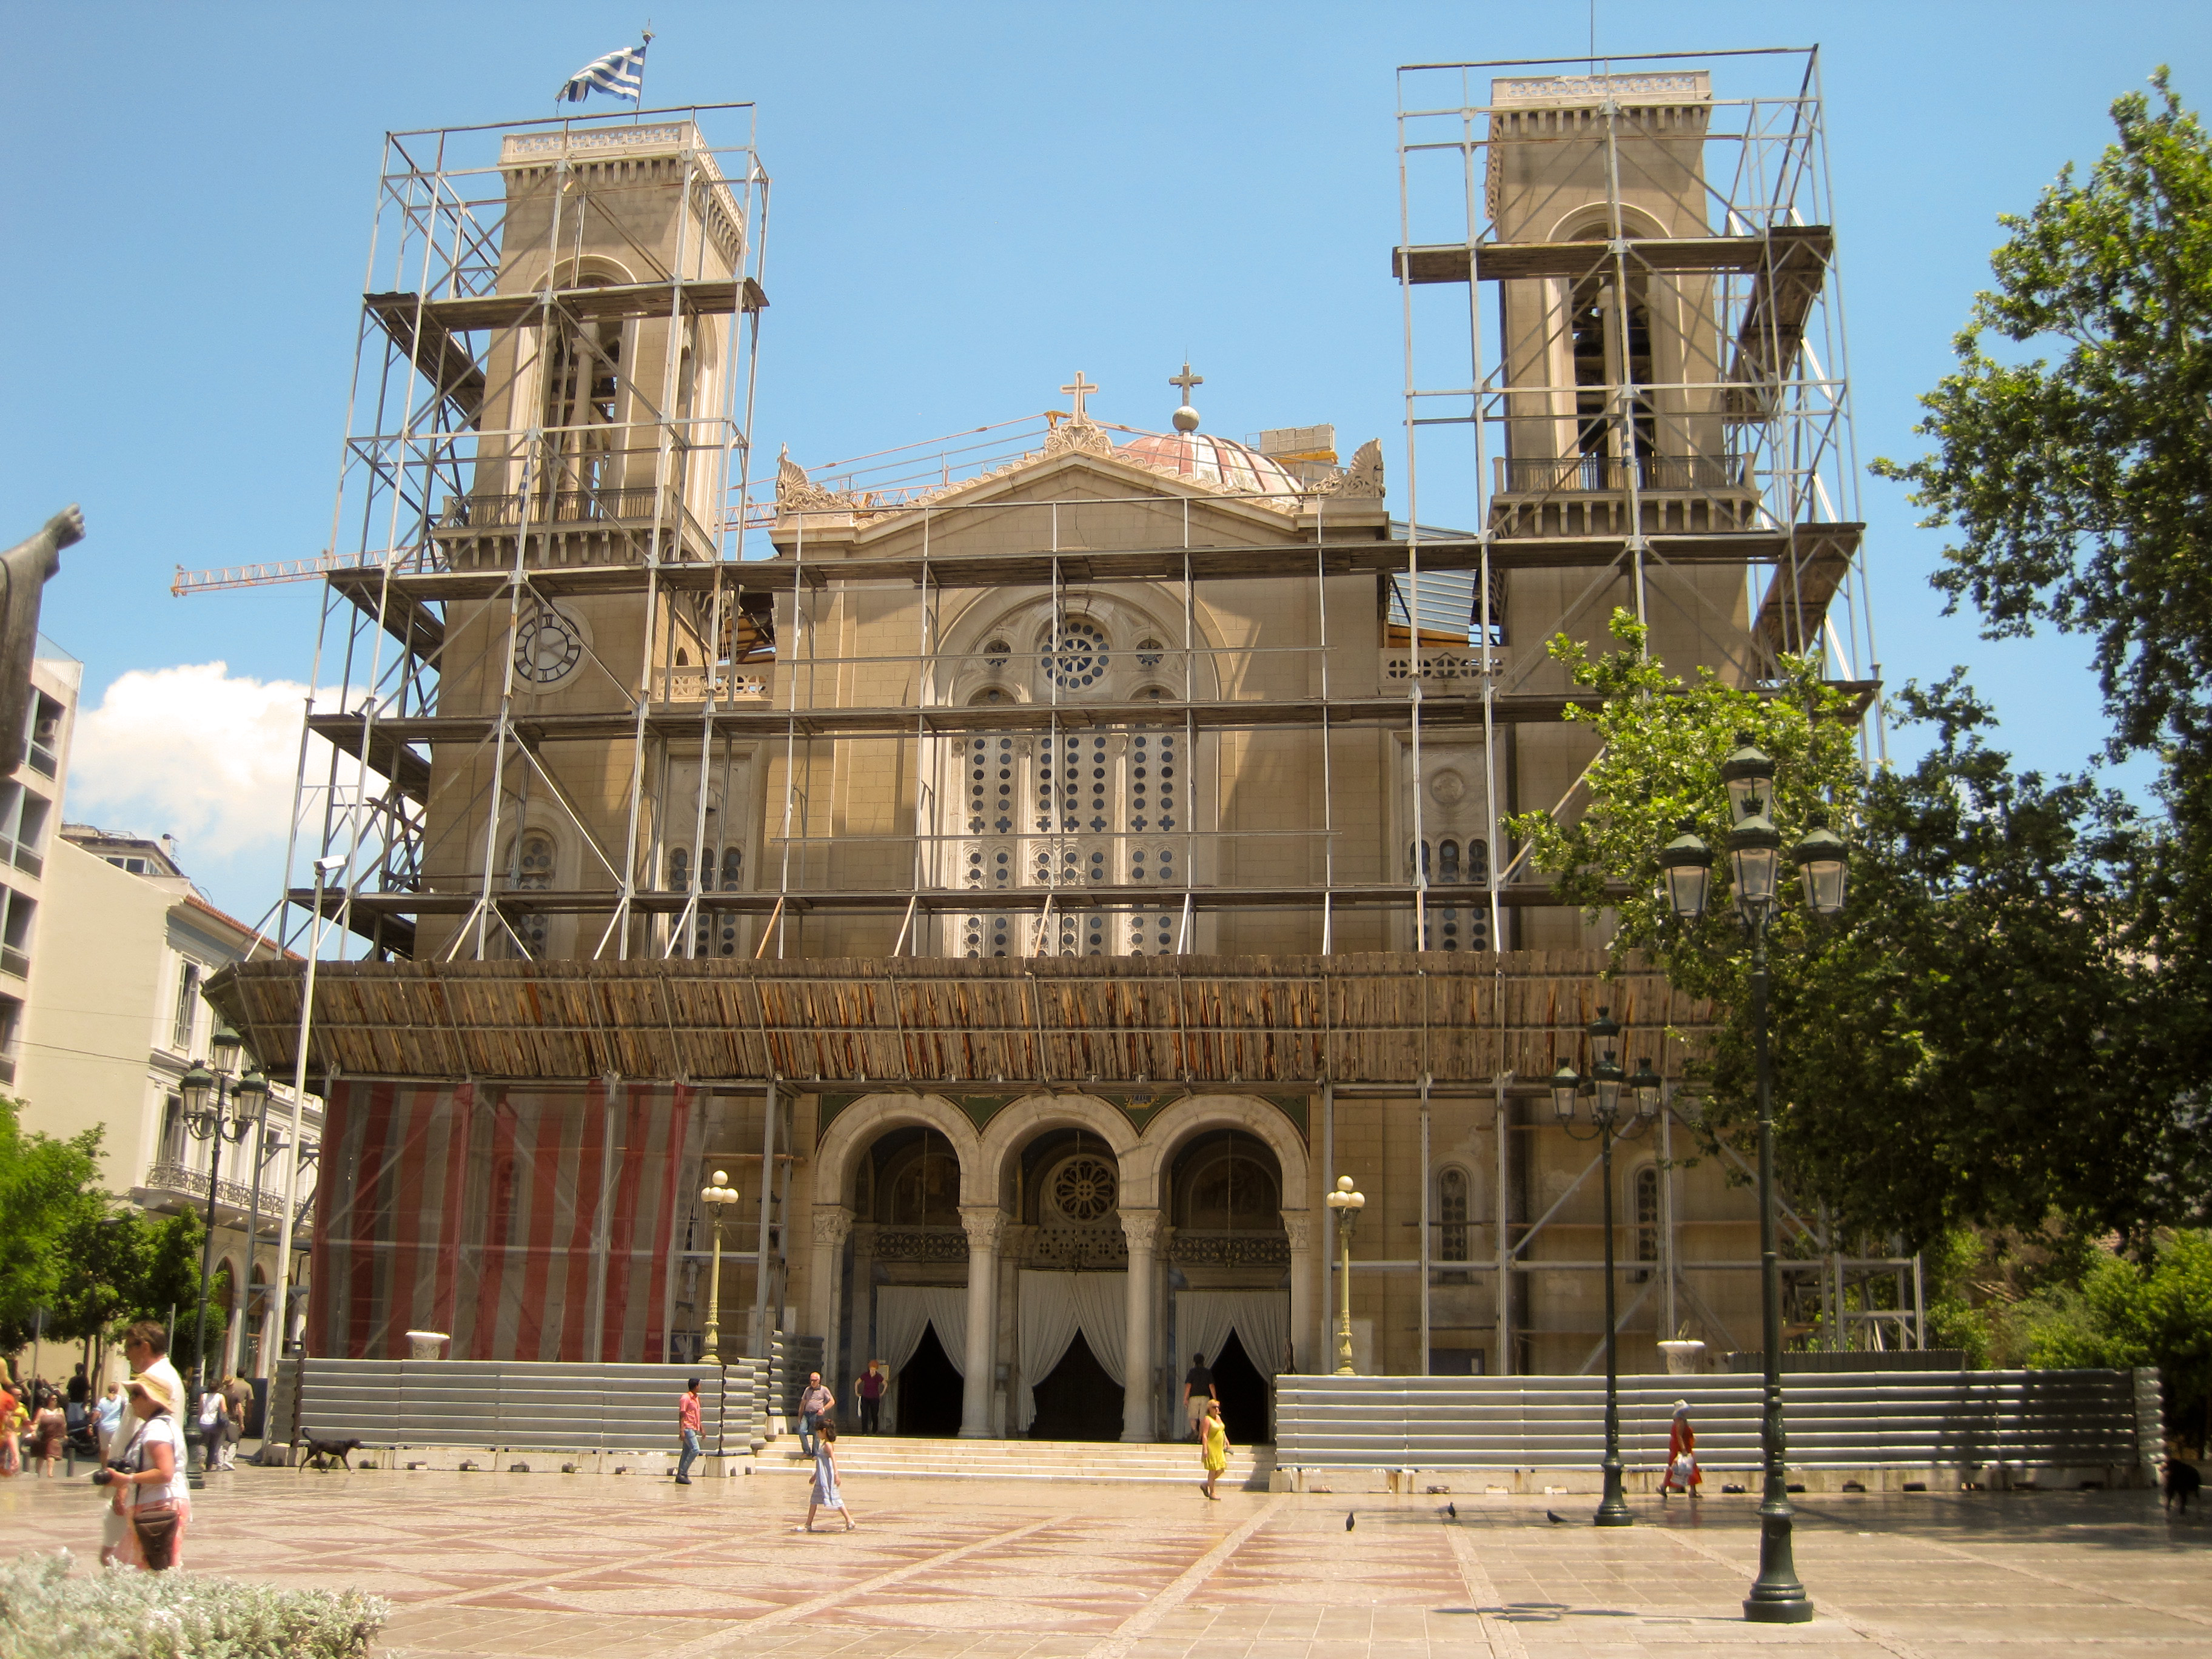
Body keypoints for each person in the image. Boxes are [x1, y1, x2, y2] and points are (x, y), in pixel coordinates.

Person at [100, 1372, 188, 1570]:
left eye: (135, 1395)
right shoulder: (161, 1425)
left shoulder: (156, 1429)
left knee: (152, 1570)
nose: (131, 1401)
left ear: (150, 1399)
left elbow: (165, 1472)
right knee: (150, 1570)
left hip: (158, 1508)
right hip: (159, 1505)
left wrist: (126, 1479)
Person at [802, 1418, 856, 1532]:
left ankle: (849, 1520)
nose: (818, 1434)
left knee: (835, 1498)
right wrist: (815, 1476)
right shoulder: (824, 1445)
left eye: (819, 1432)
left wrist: (837, 1475)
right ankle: (808, 1524)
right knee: (814, 1500)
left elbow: (834, 1460)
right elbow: (821, 1463)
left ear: (824, 1431)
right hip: (821, 1477)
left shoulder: (828, 1445)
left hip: (827, 1477)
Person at [1660, 1399, 1701, 1501]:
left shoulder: (1679, 1420)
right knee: (1688, 1469)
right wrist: (1683, 1449)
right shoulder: (1680, 1421)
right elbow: (1679, 1435)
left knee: (1680, 1469)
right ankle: (1692, 1491)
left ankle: (1665, 1487)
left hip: (1679, 1448)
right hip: (1682, 1449)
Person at [797, 1371, 834, 1456]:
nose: (812, 1382)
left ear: (819, 1380)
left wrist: (823, 1409)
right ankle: (806, 1451)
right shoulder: (807, 1390)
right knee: (802, 1431)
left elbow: (832, 1401)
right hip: (807, 1414)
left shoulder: (824, 1390)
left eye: (814, 1380)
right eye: (811, 1380)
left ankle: (815, 1453)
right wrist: (800, 1416)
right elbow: (803, 1403)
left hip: (817, 1415)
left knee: (817, 1434)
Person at [1199, 1396, 1230, 1500]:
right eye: (1214, 1407)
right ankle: (1212, 1492)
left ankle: (1206, 1484)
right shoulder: (1207, 1419)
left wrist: (1226, 1441)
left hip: (1219, 1448)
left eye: (1218, 1407)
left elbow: (1222, 1430)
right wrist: (1205, 1449)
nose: (1217, 1409)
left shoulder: (1218, 1418)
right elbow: (1205, 1434)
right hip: (1211, 1447)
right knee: (1212, 1470)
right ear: (1210, 1408)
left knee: (1221, 1469)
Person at [1182, 1350, 1216, 1443]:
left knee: (1193, 1417)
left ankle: (1195, 1431)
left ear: (1194, 1361)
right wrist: (1215, 1398)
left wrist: (1185, 1398)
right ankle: (1200, 1438)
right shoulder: (1207, 1372)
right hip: (1205, 1397)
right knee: (1203, 1418)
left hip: (1194, 1397)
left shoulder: (1192, 1372)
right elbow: (1211, 1386)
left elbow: (1188, 1385)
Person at [32, 1390, 65, 1478]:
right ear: (48, 1400)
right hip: (44, 1435)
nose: (54, 1401)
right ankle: (37, 1473)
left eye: (56, 1399)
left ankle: (50, 1473)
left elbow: (64, 1424)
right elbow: (37, 1422)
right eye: (52, 1399)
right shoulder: (43, 1411)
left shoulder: (60, 1410)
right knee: (41, 1454)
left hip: (56, 1436)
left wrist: (65, 1434)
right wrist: (34, 1431)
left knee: (51, 1453)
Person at [196, 1381, 229, 1473]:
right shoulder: (220, 1397)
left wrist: (199, 1419)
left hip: (203, 1421)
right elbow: (224, 1409)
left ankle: (201, 1458)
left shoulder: (203, 1396)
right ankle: (209, 1466)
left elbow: (200, 1409)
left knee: (202, 1443)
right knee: (213, 1445)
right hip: (215, 1423)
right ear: (218, 1388)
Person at [676, 1376, 703, 1484]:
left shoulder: (696, 1398)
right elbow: (682, 1414)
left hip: (693, 1428)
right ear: (696, 1386)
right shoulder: (686, 1398)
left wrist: (701, 1428)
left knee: (686, 1451)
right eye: (699, 1385)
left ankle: (681, 1474)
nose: (700, 1387)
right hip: (687, 1428)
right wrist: (682, 1430)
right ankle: (682, 1473)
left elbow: (696, 1415)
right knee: (695, 1449)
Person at [855, 1360, 885, 1435]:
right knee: (864, 1414)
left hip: (875, 1397)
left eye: (874, 1369)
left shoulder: (878, 1376)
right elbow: (857, 1383)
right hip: (865, 1397)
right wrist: (857, 1392)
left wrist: (882, 1393)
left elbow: (885, 1384)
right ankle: (864, 1432)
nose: (872, 1371)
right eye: (871, 1369)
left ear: (876, 1369)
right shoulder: (865, 1375)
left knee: (874, 1415)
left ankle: (874, 1431)